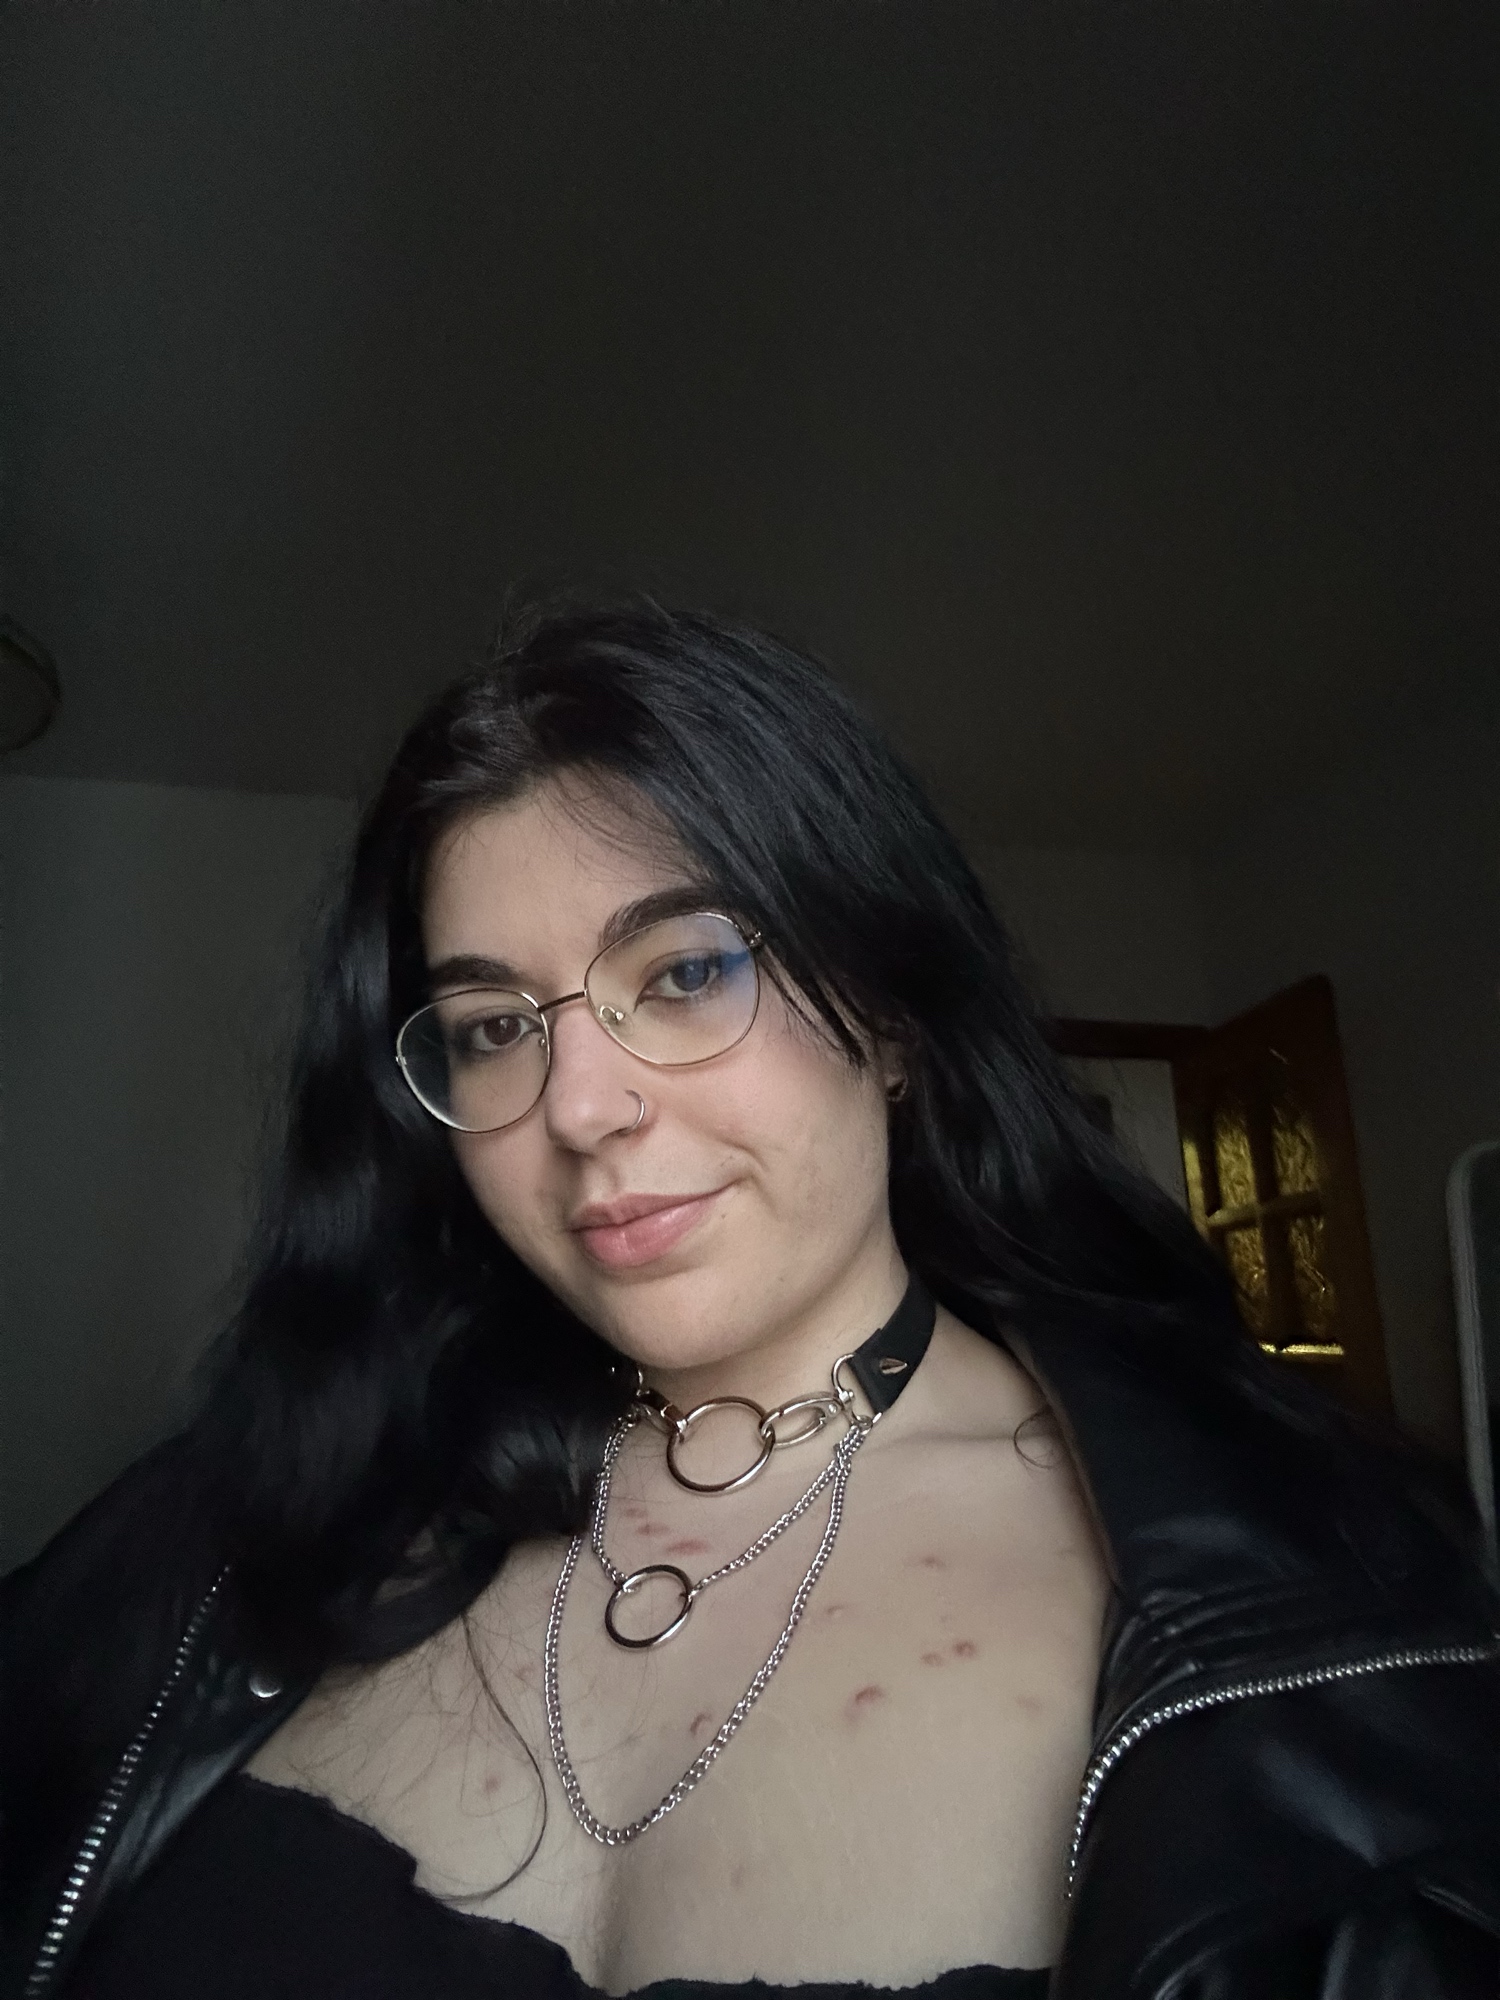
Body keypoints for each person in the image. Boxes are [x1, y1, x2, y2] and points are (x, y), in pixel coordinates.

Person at [3, 599, 1497, 2000]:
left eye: (686, 972)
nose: (580, 1106)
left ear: (891, 1018)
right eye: (493, 1026)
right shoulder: (262, 1504)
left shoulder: (1339, 1602)